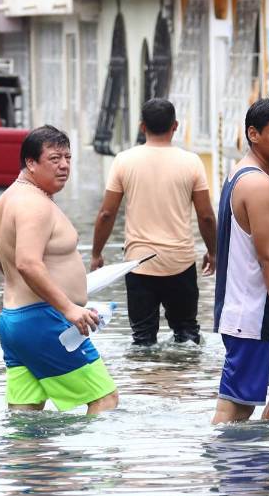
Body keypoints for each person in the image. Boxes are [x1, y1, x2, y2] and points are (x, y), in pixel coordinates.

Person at [0, 126, 119, 415]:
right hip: (45, 321)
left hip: (16, 322)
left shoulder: (8, 199)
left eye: (68, 157)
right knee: (105, 400)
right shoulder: (34, 205)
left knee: (26, 414)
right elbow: (27, 263)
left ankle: (30, 461)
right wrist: (68, 309)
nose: (64, 166)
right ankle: (87, 462)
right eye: (54, 158)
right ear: (30, 162)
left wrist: (25, 312)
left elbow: (1, 259)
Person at [90, 98, 218, 346]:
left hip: (139, 265)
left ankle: (144, 385)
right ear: (176, 125)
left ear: (142, 127)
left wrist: (97, 253)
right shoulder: (191, 162)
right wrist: (213, 252)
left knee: (142, 339)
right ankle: (185, 382)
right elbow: (206, 216)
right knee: (188, 336)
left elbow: (107, 213)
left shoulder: (124, 161)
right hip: (180, 262)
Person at [212, 98, 269, 425]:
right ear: (253, 134)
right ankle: (229, 472)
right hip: (252, 317)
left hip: (257, 315)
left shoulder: (239, 173)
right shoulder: (258, 185)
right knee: (235, 411)